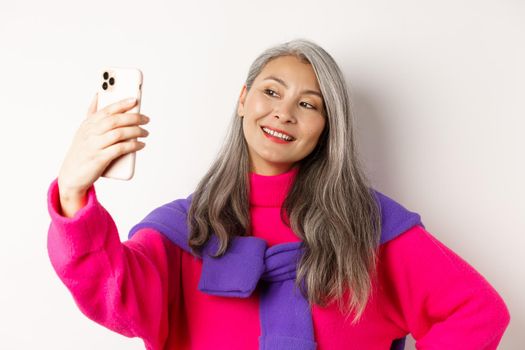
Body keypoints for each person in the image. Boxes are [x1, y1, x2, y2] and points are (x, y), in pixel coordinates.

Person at [47, 39, 510, 350]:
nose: (284, 113)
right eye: (271, 91)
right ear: (243, 99)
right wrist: (73, 191)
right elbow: (114, 296)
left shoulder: (370, 225)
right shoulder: (181, 231)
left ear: (327, 127)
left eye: (308, 104)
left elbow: (477, 311)